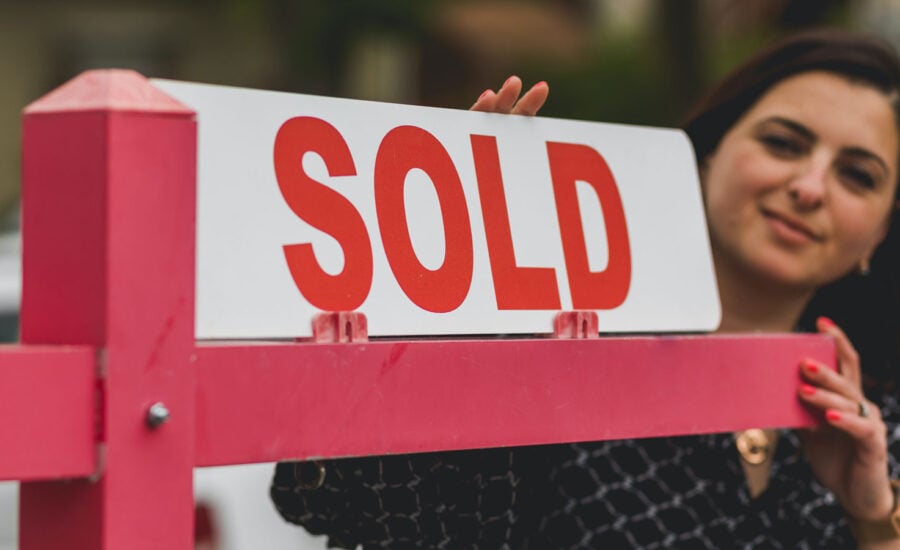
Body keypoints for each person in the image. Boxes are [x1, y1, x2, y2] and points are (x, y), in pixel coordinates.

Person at [271, 28, 900, 548]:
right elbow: (340, 507)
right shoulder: (557, 358)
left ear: (880, 232)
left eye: (858, 175)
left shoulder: (876, 434)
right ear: (705, 154)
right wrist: (432, 307)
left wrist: (873, 523)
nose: (810, 187)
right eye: (783, 143)